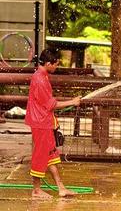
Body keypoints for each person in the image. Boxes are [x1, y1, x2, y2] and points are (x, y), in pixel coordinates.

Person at [25, 49, 81, 199]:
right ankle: (36, 190)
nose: (56, 67)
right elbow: (50, 104)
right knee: (41, 156)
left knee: (50, 155)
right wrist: (73, 102)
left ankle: (61, 188)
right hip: (41, 123)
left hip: (44, 121)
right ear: (48, 63)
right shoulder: (40, 79)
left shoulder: (43, 76)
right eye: (55, 64)